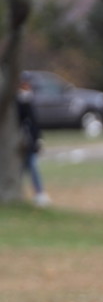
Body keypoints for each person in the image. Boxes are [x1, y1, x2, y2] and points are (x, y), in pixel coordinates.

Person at [17, 78, 50, 207]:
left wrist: (37, 140)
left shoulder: (28, 102)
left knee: (30, 167)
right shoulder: (20, 103)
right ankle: (37, 193)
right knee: (25, 168)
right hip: (21, 142)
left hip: (29, 142)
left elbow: (34, 124)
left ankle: (38, 193)